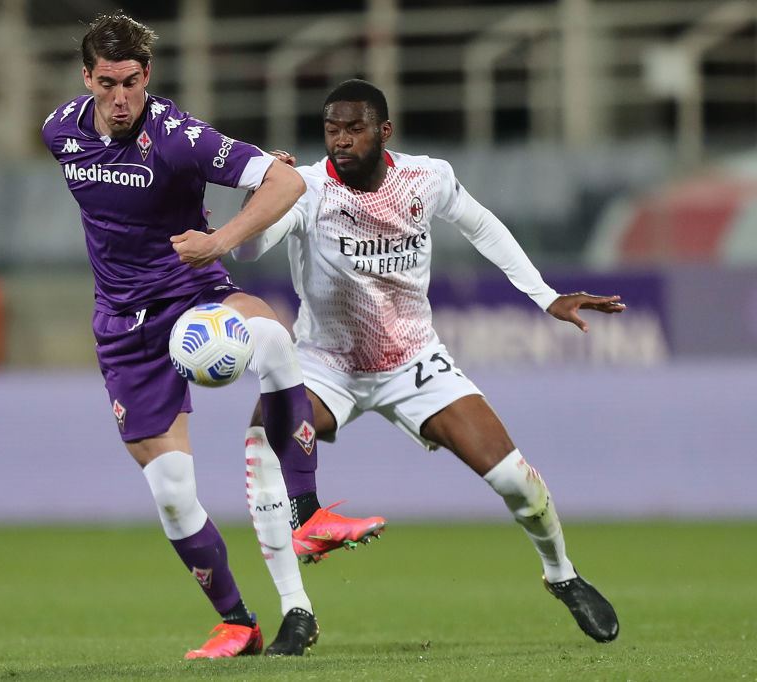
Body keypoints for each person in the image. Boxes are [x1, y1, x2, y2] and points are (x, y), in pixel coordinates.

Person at [226, 79, 625, 643]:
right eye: (331, 128)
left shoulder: (425, 177)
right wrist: (259, 197)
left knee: (517, 482)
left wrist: (546, 295)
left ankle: (562, 574)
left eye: (354, 127)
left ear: (384, 130)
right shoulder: (307, 190)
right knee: (264, 439)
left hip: (413, 360)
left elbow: (481, 225)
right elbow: (246, 250)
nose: (340, 140)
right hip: (326, 364)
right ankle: (298, 610)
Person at [41, 14, 378, 658]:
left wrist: (219, 241)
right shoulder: (61, 132)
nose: (120, 98)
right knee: (170, 494)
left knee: (276, 340)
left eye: (132, 83)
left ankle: (306, 512)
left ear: (149, 77)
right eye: (107, 83)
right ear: (86, 78)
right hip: (123, 328)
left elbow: (285, 181)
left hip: (195, 295)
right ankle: (239, 623)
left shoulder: (175, 137)